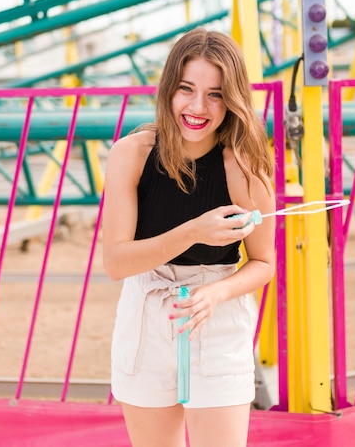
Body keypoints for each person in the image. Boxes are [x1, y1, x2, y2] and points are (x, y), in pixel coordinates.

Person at [102, 27, 276, 447]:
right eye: (186, 89)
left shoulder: (245, 163)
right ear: (168, 90)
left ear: (231, 99)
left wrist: (217, 293)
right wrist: (194, 231)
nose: (198, 107)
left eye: (215, 94)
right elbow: (116, 263)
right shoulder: (133, 153)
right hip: (147, 312)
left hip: (216, 317)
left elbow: (263, 263)